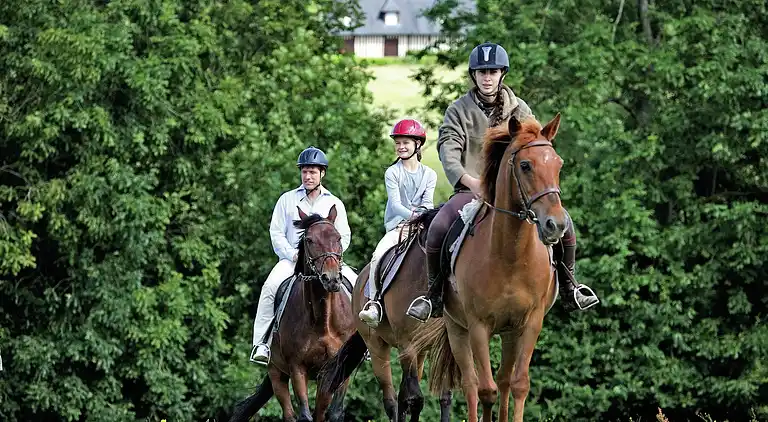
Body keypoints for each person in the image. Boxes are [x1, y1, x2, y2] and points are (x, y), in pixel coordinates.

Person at [405, 42, 600, 322]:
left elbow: (536, 148)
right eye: (482, 72)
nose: (487, 77)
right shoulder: (457, 110)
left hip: (515, 193)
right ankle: (433, 296)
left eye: (493, 72)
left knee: (564, 223)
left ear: (502, 74)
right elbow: (448, 151)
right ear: (474, 75)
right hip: (471, 191)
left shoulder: (520, 109)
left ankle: (570, 287)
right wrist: (471, 182)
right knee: (438, 226)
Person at [250, 146, 359, 365]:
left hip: (328, 262)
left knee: (357, 285)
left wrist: (333, 258)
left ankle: (363, 341)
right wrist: (292, 255)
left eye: (312, 172)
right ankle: (261, 343)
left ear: (322, 173)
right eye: (305, 171)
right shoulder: (287, 200)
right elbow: (276, 233)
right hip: (291, 261)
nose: (308, 176)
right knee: (269, 287)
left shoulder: (334, 203)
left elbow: (344, 235)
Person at [358, 119, 437, 328]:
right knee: (377, 255)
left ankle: (438, 297)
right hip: (398, 226)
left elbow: (428, 203)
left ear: (417, 144)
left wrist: (422, 219)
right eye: (398, 143)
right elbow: (395, 205)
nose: (401, 147)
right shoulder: (392, 172)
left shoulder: (430, 174)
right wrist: (414, 217)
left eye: (405, 143)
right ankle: (374, 303)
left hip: (422, 225)